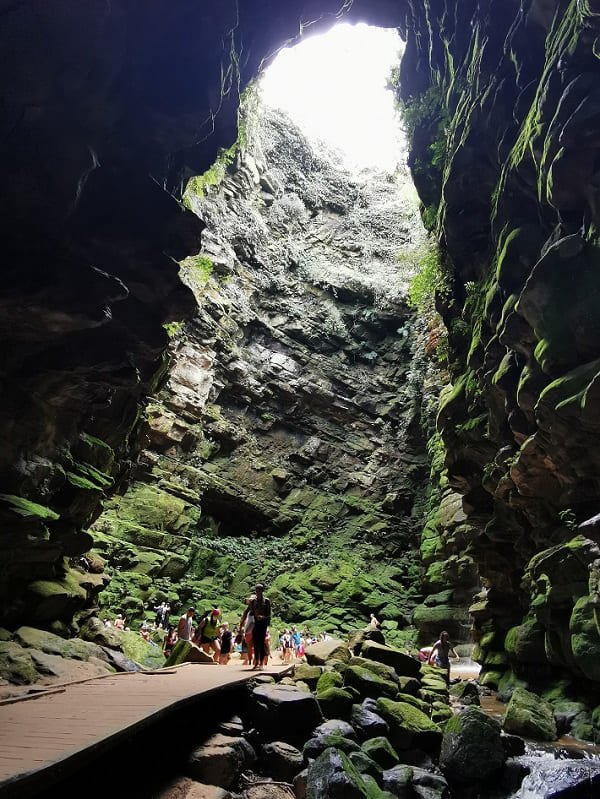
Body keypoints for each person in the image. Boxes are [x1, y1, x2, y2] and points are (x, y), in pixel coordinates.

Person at [241, 584, 271, 670]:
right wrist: (242, 624)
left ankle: (261, 662)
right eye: (257, 590)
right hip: (255, 624)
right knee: (256, 643)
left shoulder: (267, 601)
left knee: (261, 643)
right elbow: (247, 611)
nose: (258, 592)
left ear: (262, 591)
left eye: (259, 590)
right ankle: (256, 662)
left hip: (263, 625)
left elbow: (269, 615)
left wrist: (262, 617)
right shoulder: (253, 602)